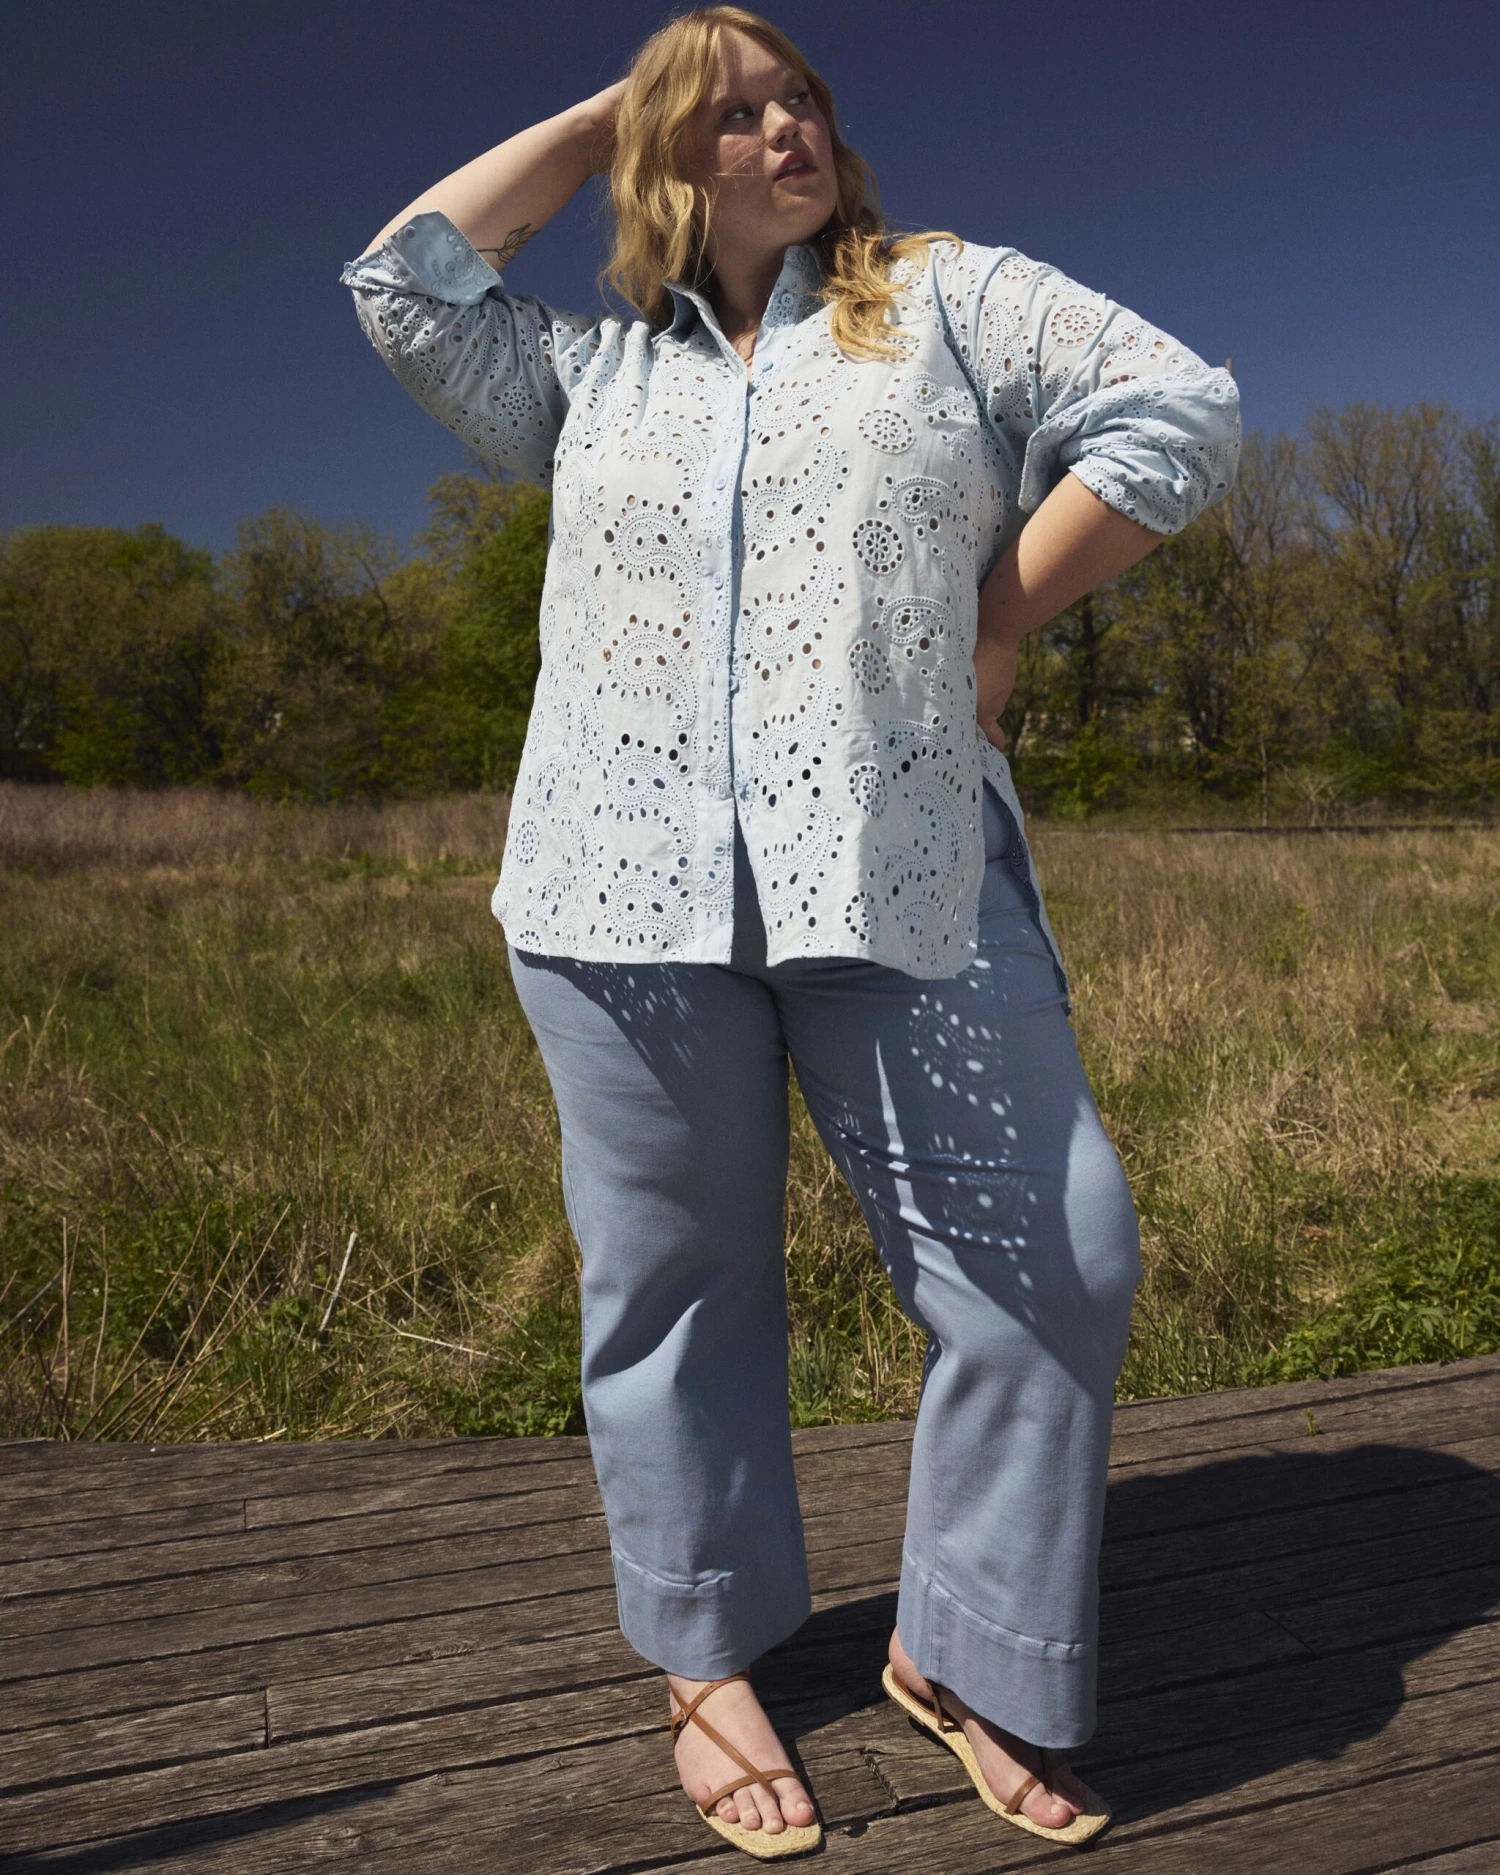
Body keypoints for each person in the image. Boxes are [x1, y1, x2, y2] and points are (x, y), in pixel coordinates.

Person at [340, 6, 1240, 1858]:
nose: (786, 128)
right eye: (735, 113)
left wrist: (997, 617)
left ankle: (965, 1645)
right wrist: (619, 104)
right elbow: (402, 284)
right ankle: (707, 1655)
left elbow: (1182, 412)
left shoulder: (944, 301)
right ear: (670, 158)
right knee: (671, 1289)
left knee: (1060, 1257)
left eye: (801, 96)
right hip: (612, 896)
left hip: (904, 880)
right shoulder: (591, 378)